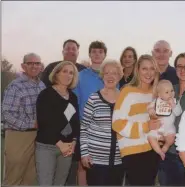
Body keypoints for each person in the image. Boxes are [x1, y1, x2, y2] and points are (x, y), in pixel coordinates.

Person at [112, 54, 160, 185]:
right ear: (137, 70)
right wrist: (146, 126)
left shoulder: (156, 93)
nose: (149, 73)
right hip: (133, 151)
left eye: (152, 69)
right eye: (144, 68)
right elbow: (117, 124)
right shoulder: (127, 91)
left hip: (153, 150)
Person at [153, 52, 185, 186]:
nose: (182, 70)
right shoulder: (169, 89)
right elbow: (156, 111)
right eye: (179, 66)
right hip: (168, 152)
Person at [2, 53, 46, 185]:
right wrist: (31, 123)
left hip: (37, 136)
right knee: (13, 178)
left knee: (29, 178)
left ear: (41, 67)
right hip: (18, 136)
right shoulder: (15, 86)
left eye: (37, 63)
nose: (34, 66)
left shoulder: (41, 85)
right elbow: (7, 113)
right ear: (23, 66)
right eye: (30, 63)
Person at [35, 61, 80, 185]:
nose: (68, 75)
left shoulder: (73, 97)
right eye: (64, 71)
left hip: (68, 148)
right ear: (56, 74)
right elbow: (44, 122)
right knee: (45, 183)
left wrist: (74, 142)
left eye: (71, 73)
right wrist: (60, 144)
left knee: (60, 183)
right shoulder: (46, 94)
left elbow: (75, 122)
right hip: (47, 147)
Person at [80, 59, 124, 186]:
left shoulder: (125, 99)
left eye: (114, 73)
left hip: (119, 160)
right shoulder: (93, 98)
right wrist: (84, 154)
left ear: (119, 76)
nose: (110, 76)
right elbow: (84, 128)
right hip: (96, 161)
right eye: (106, 73)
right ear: (102, 76)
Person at [72, 40, 107, 185]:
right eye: (94, 51)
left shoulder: (110, 75)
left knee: (102, 165)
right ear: (89, 54)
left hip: (105, 128)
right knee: (83, 165)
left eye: (100, 52)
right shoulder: (80, 76)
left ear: (105, 55)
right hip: (85, 127)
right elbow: (74, 101)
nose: (97, 54)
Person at [147, 80, 182, 160]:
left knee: (172, 137)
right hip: (157, 127)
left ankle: (165, 148)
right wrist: (151, 111)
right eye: (167, 92)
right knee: (150, 137)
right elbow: (149, 108)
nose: (170, 94)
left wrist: (173, 105)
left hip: (169, 128)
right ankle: (159, 151)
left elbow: (178, 113)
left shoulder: (175, 102)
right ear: (160, 94)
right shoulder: (156, 101)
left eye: (172, 91)